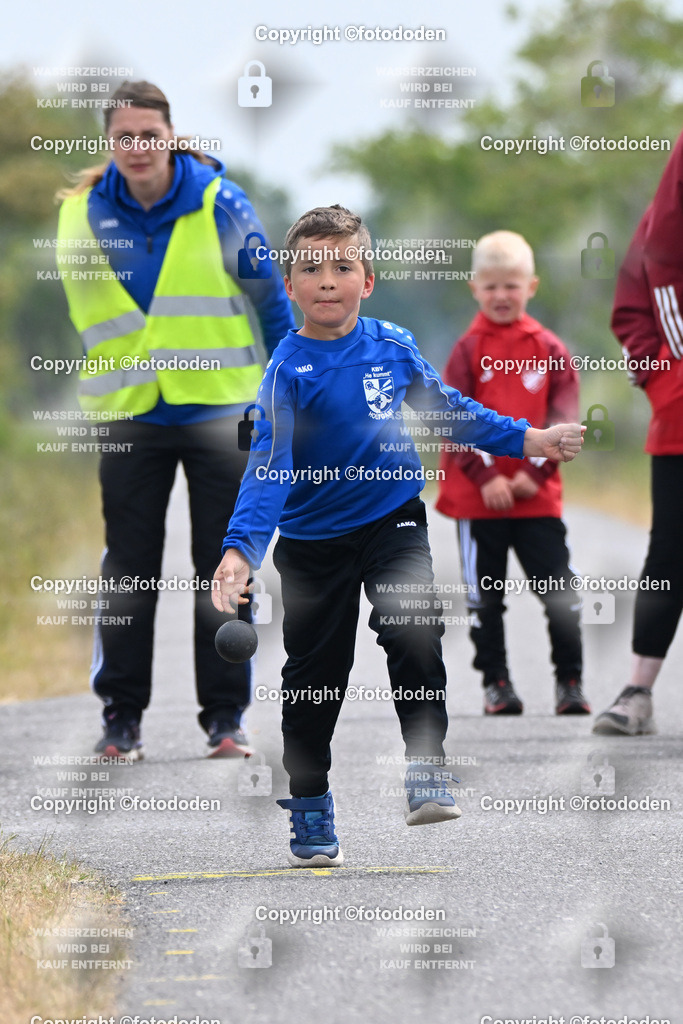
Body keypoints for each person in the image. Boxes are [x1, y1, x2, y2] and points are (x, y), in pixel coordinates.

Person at [211, 205, 584, 867]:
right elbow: (268, 467)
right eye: (310, 269)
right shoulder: (286, 372)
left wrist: (530, 440)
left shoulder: (392, 346)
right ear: (290, 286)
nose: (327, 280)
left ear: (368, 279)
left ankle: (425, 766)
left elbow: (450, 413)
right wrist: (240, 551)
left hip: (393, 518)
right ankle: (309, 800)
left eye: (342, 266)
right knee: (314, 679)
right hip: (312, 540)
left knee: (415, 628)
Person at [56, 80, 295, 761]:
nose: (137, 147)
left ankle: (225, 719)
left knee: (222, 567)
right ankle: (121, 722)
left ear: (170, 136)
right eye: (124, 136)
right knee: (128, 569)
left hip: (223, 410)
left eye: (148, 134)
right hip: (131, 413)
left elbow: (272, 306)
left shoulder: (222, 203)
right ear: (110, 143)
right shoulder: (78, 215)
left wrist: (282, 397)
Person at [435, 231, 589, 717]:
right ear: (474, 287)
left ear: (532, 286)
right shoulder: (466, 350)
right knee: (486, 598)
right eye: (492, 285)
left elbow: (565, 420)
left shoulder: (551, 349)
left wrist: (533, 475)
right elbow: (451, 420)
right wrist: (488, 479)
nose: (502, 295)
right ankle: (496, 684)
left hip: (536, 499)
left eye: (512, 285)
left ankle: (570, 682)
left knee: (560, 592)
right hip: (478, 501)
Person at [593, 131, 683, 735]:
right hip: (681, 413)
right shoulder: (661, 229)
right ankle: (637, 692)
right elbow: (633, 304)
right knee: (671, 550)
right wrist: (664, 379)